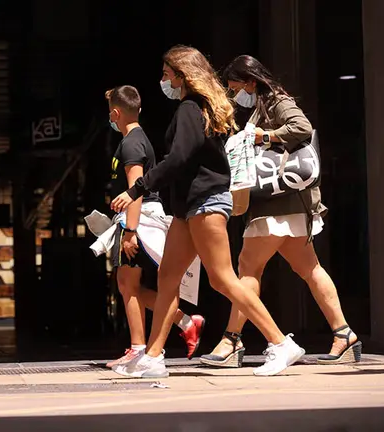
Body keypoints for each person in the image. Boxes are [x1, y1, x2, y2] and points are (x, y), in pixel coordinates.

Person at [110, 45, 305, 378]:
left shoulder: (190, 108)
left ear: (182, 76)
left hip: (205, 202)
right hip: (189, 208)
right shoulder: (205, 108)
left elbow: (180, 158)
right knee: (167, 278)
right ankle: (154, 357)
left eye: (166, 74)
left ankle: (280, 343)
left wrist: (137, 189)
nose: (163, 81)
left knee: (222, 278)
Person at [200, 55, 360, 367]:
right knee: (310, 270)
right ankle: (344, 334)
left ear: (249, 81)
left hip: (274, 206)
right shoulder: (265, 103)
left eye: (235, 88)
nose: (235, 95)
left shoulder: (275, 100)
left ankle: (231, 340)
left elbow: (301, 126)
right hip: (292, 205)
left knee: (247, 269)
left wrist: (265, 136)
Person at [103, 85, 205, 369]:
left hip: (139, 219)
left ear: (115, 113)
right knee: (128, 284)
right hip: (141, 217)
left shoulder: (131, 144)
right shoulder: (136, 139)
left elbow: (136, 188)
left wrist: (131, 231)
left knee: (128, 284)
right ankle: (184, 322)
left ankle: (140, 348)